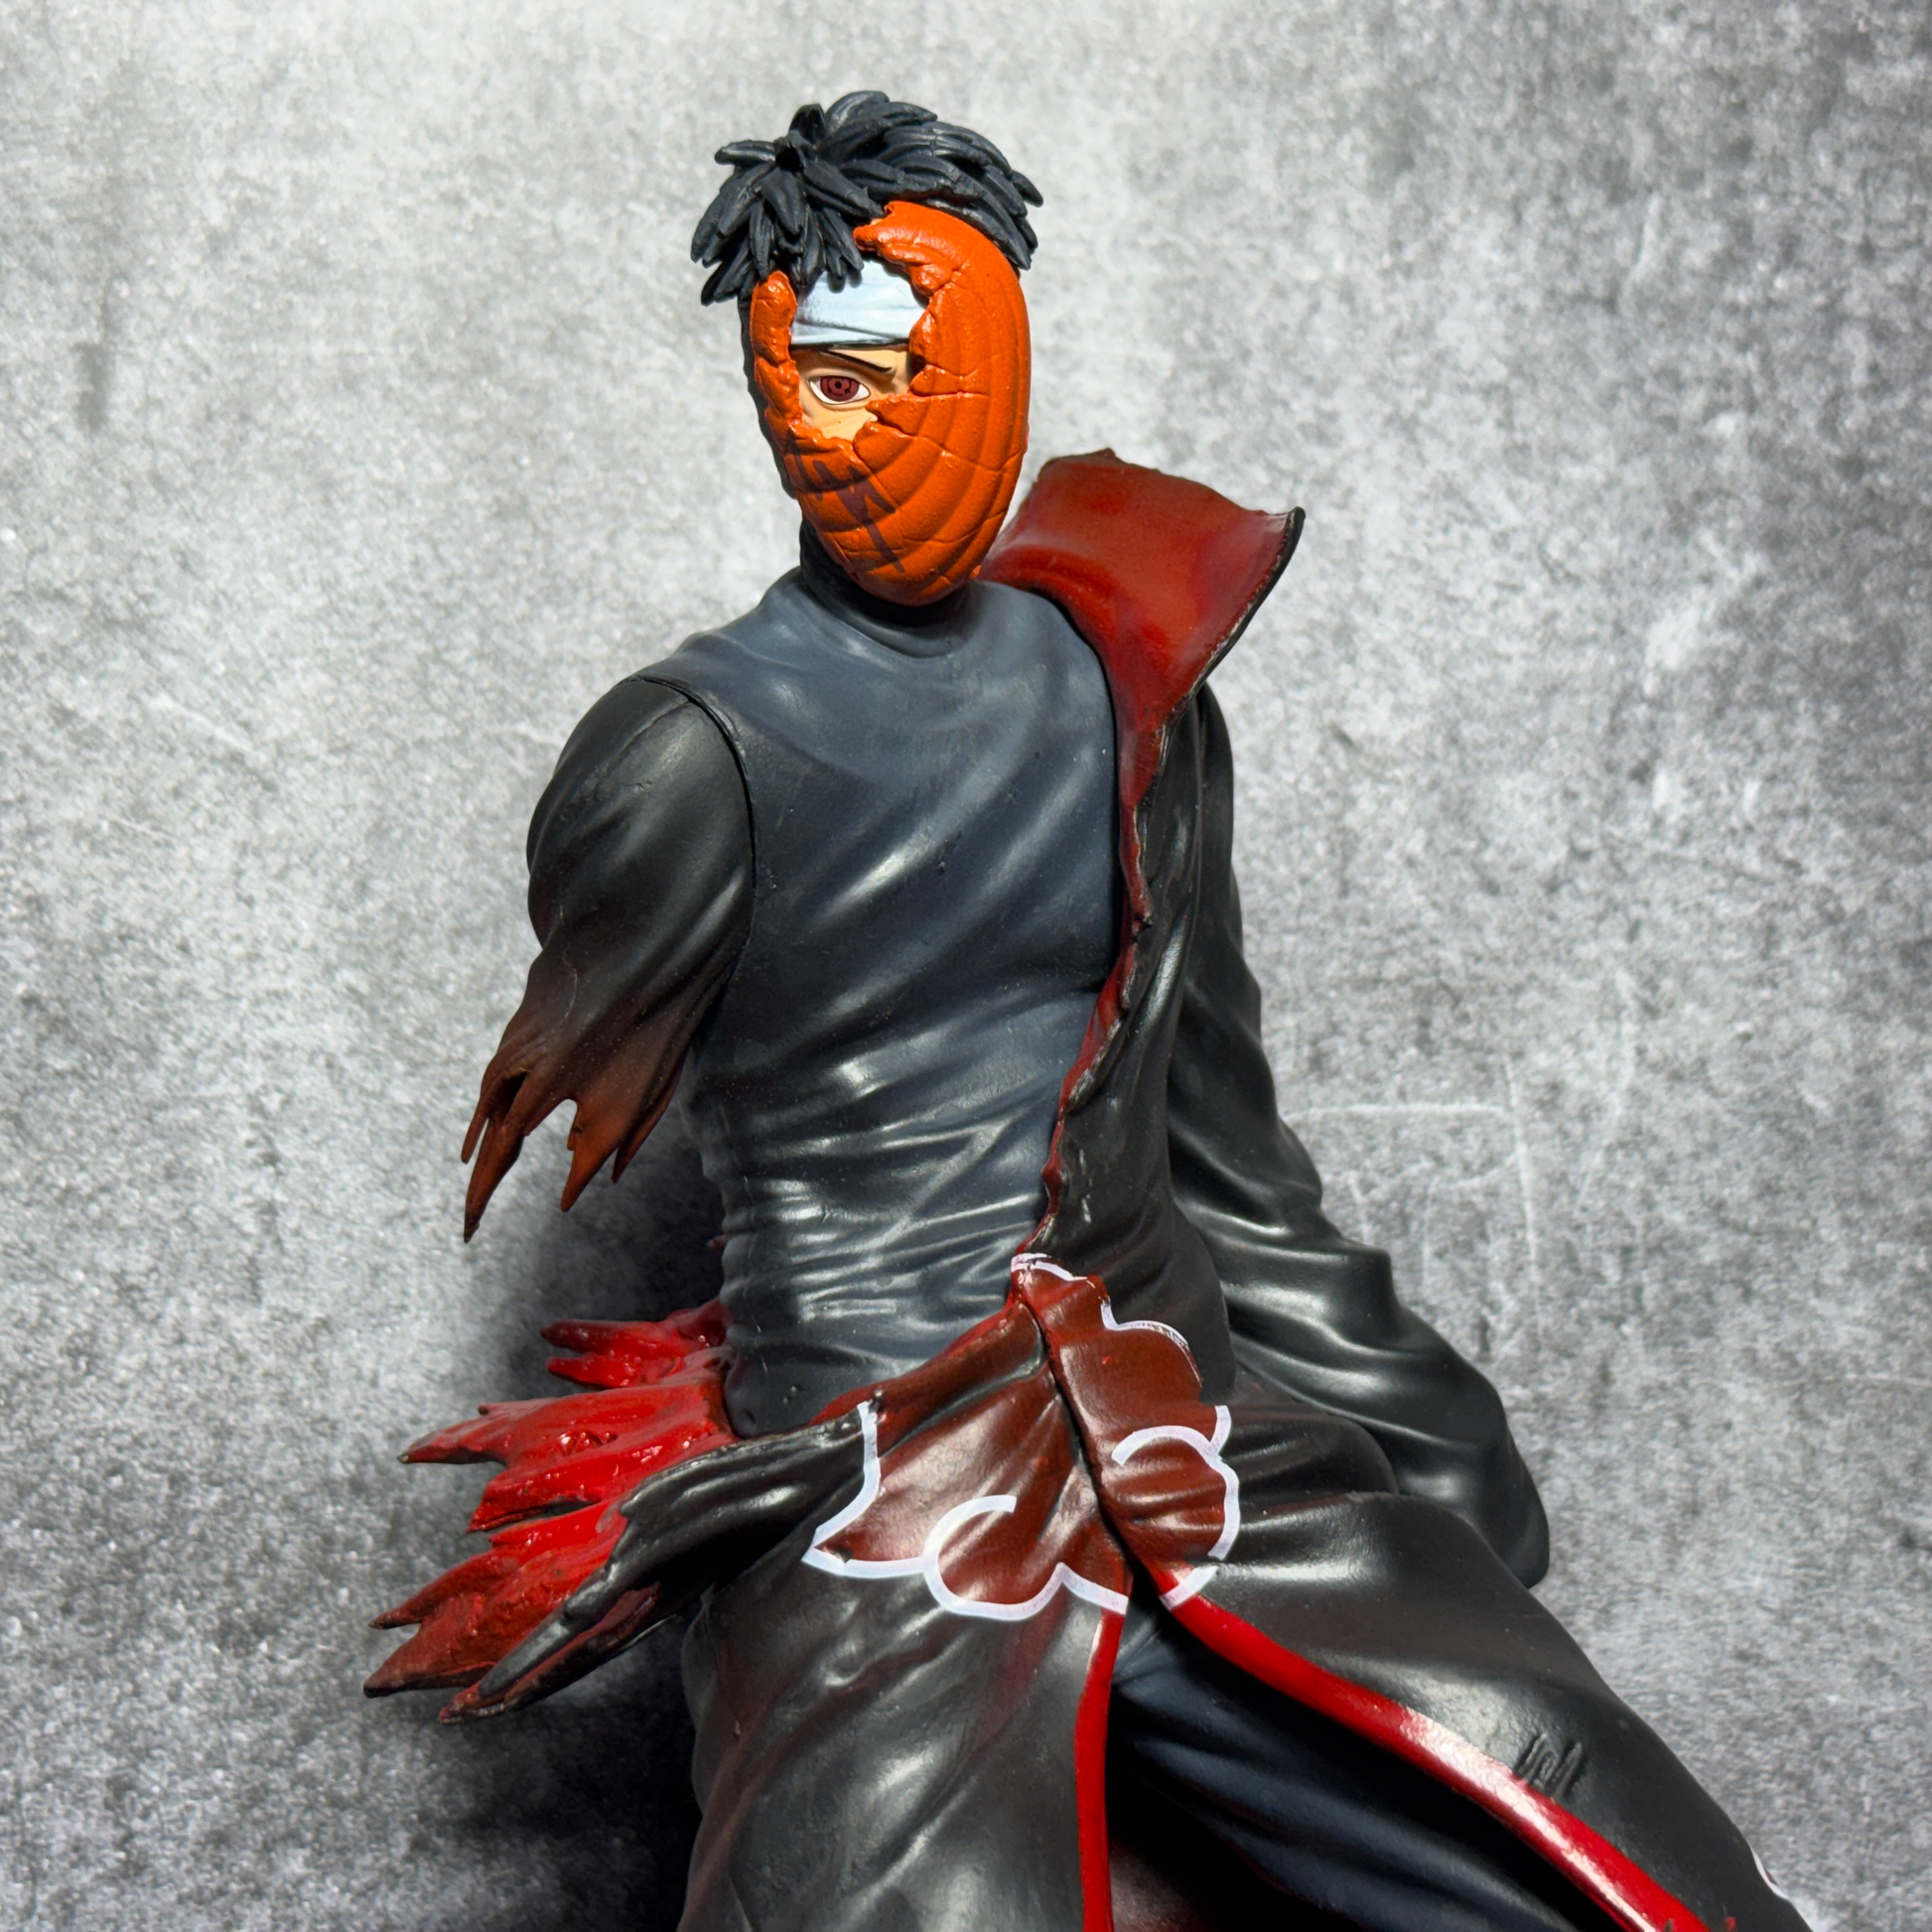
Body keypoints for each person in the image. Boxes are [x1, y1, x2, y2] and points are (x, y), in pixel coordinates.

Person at [370, 92, 1809, 1932]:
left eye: (901, 365)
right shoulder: (681, 760)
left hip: (1183, 1425)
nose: (849, 427)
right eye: (805, 376)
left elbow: (1216, 1138)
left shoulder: (1132, 688)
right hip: (878, 1490)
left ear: (998, 345)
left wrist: (1414, 1430)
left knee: (1621, 1869)